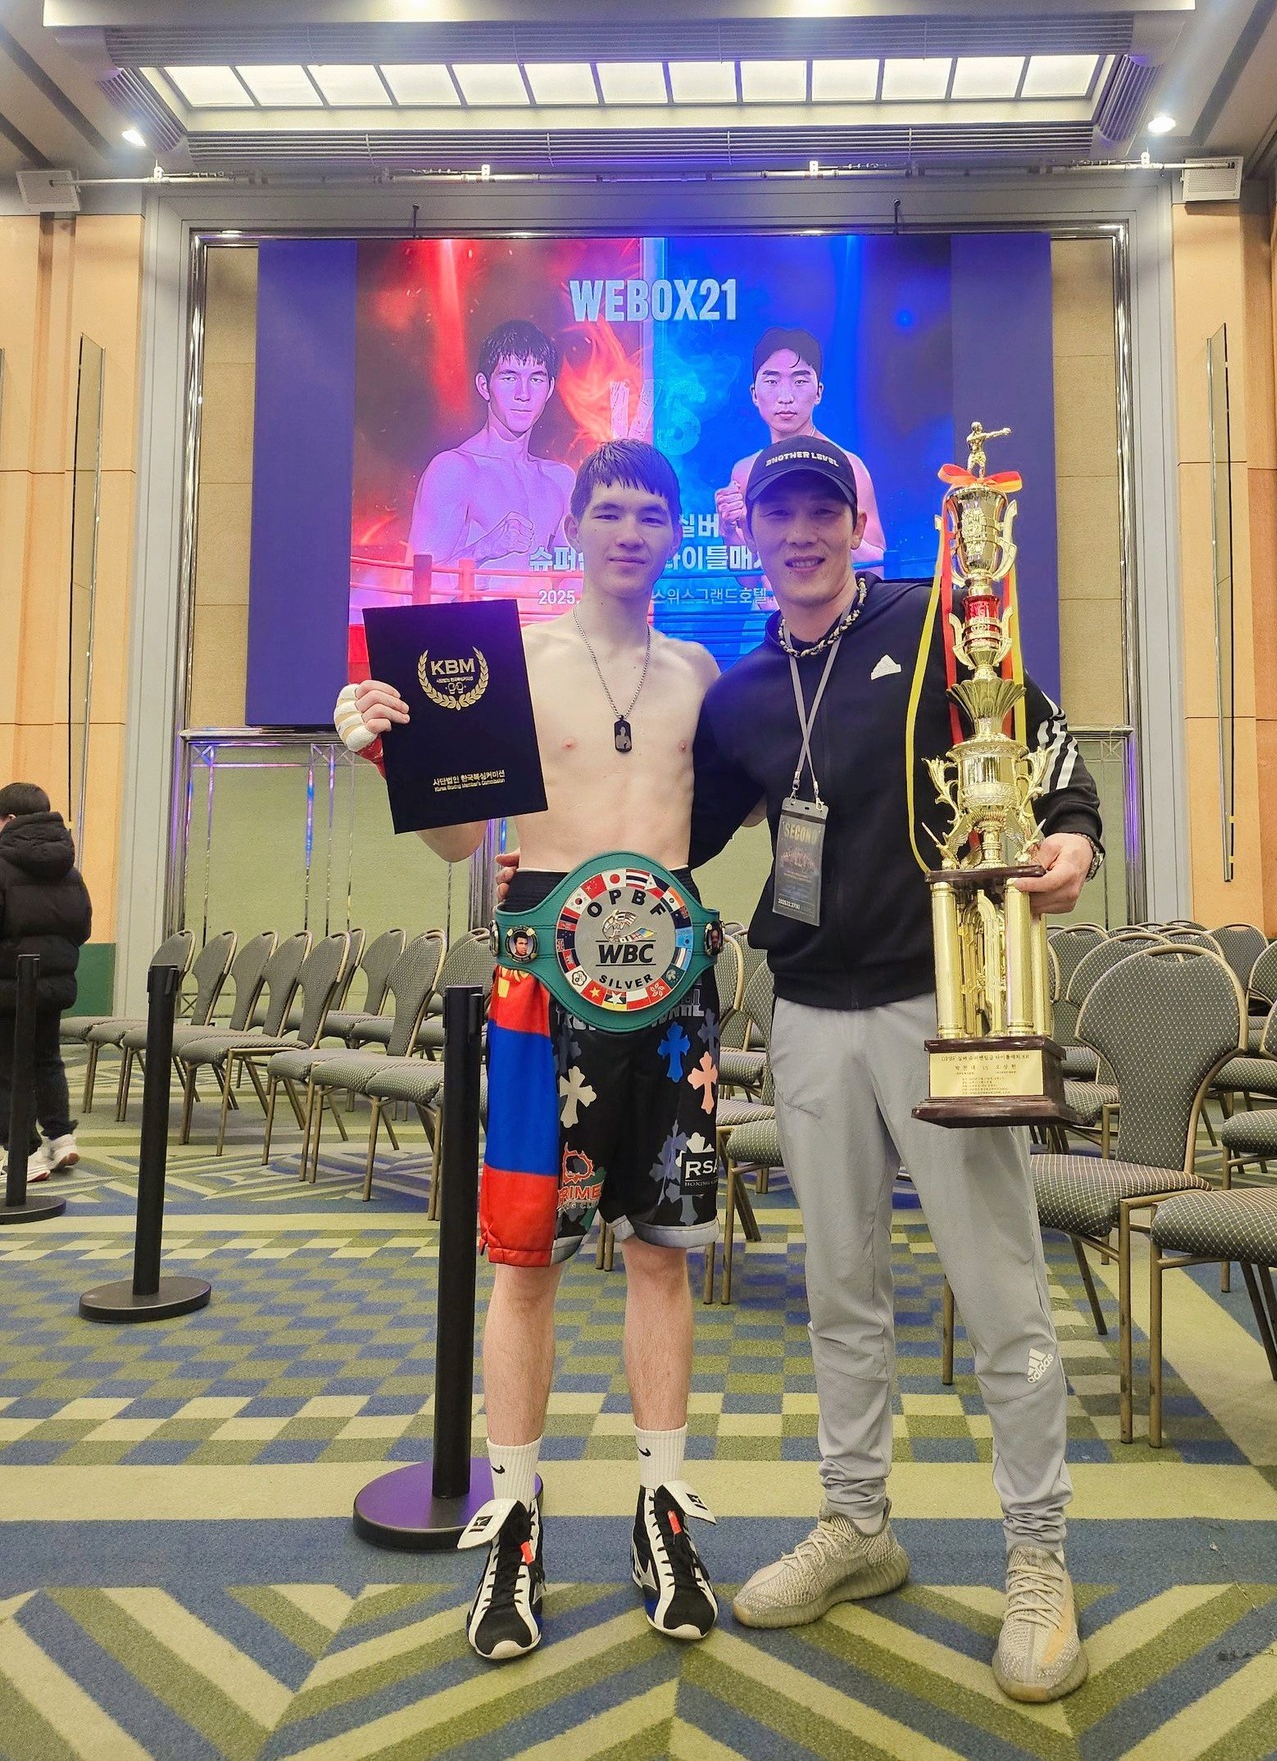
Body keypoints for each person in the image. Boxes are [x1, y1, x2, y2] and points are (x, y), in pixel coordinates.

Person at [688, 436, 1102, 1705]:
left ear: (858, 523)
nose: (800, 532)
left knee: (999, 1288)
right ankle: (858, 1522)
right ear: (747, 533)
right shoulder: (740, 694)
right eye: (778, 513)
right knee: (839, 1288)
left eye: (822, 508)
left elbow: (1044, 751)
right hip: (810, 1011)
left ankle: (1038, 1555)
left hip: (943, 1001)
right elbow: (671, 829)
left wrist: (1075, 838)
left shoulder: (934, 628)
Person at [337, 441, 733, 1664]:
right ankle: (514, 1521)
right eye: (608, 508)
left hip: (672, 985)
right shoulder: (509, 662)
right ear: (572, 524)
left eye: (651, 512)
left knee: (663, 1255)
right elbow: (461, 841)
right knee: (526, 1263)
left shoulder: (703, 672)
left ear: (674, 532)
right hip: (540, 986)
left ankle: (662, 1510)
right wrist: (388, 749)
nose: (629, 528)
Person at [408, 318, 576, 574]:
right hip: (475, 602)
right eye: (509, 377)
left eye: (536, 379)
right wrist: (485, 548)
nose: (523, 394)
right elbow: (417, 583)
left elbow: (572, 579)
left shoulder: (561, 480)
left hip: (539, 604)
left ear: (550, 388)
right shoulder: (454, 471)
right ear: (484, 386)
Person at [715, 327, 886, 568]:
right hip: (773, 595)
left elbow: (878, 567)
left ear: (818, 392)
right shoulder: (745, 472)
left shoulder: (847, 466)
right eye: (772, 381)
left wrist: (837, 524)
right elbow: (749, 578)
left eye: (800, 381)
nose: (785, 397)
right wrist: (729, 531)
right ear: (754, 394)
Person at [0, 785, 92, 1183]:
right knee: (47, 1059)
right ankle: (60, 1137)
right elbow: (82, 928)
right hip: (54, 985)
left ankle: (22, 1154)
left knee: (6, 1069)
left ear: (9, 820)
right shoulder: (68, 868)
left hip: (7, 986)